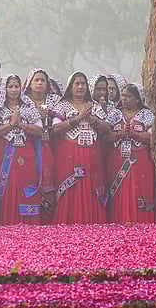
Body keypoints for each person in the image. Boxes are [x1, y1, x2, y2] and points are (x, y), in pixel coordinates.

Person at [52, 72, 110, 224]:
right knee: (71, 187)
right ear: (70, 87)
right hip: (70, 152)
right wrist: (78, 118)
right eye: (76, 84)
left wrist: (90, 118)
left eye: (83, 84)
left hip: (91, 152)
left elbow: (106, 128)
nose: (80, 87)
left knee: (92, 186)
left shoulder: (95, 106)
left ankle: (93, 223)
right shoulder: (62, 106)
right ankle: (68, 222)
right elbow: (56, 129)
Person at [0, 75, 43, 224]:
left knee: (26, 186)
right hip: (3, 155)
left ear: (21, 88)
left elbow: (40, 130)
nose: (13, 90)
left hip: (26, 155)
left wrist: (22, 125)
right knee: (6, 189)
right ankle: (5, 224)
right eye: (10, 86)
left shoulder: (28, 107)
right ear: (4, 89)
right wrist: (11, 124)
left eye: (16, 86)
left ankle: (28, 226)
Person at [104, 83, 156, 223]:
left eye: (129, 96)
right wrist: (120, 134)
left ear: (138, 99)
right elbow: (104, 136)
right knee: (118, 193)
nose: (124, 98)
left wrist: (135, 135)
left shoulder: (147, 114)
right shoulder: (114, 113)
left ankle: (143, 227)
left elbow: (153, 138)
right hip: (117, 159)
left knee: (139, 192)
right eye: (123, 95)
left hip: (140, 159)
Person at [22, 68, 60, 215]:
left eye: (42, 80)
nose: (39, 83)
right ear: (29, 83)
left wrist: (51, 115)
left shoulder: (55, 100)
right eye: (36, 80)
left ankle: (49, 216)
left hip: (52, 145)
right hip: (29, 145)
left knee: (51, 178)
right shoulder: (24, 101)